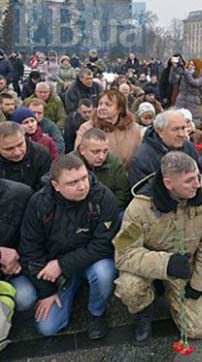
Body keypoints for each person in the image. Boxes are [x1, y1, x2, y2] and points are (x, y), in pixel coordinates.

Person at [114, 152, 202, 344]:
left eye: (197, 176)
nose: (197, 184)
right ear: (169, 184)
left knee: (197, 330)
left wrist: (199, 284)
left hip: (185, 267)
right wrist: (166, 263)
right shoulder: (138, 208)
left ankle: (172, 293)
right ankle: (144, 310)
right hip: (151, 265)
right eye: (189, 180)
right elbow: (123, 254)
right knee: (129, 287)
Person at [14, 154, 119, 338]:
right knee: (48, 328)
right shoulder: (40, 203)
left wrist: (62, 264)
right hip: (53, 268)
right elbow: (30, 249)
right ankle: (70, 289)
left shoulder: (103, 197)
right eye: (72, 183)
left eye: (84, 178)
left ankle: (97, 313)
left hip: (86, 261)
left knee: (105, 271)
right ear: (56, 185)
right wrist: (46, 291)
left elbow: (104, 245)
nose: (82, 186)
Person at [128, 110, 200, 186]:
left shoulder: (189, 147)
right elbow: (141, 191)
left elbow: (200, 175)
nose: (181, 134)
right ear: (160, 131)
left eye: (183, 128)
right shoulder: (142, 159)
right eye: (176, 129)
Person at [75, 89, 143, 165]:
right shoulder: (87, 128)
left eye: (108, 104)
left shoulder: (134, 129)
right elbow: (78, 157)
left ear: (120, 109)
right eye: (100, 104)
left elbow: (139, 158)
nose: (102, 108)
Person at [75, 128, 131, 210]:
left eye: (105, 151)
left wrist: (108, 210)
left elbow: (123, 193)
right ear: (82, 150)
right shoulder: (69, 165)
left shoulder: (115, 164)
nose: (101, 157)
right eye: (96, 152)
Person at [0, 122, 51, 190]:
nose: (17, 152)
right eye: (9, 149)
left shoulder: (41, 154)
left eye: (20, 144)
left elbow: (45, 189)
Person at [0, 178, 33, 282]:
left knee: (25, 295)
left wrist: (16, 261)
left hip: (14, 271)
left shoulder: (21, 195)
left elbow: (33, 242)